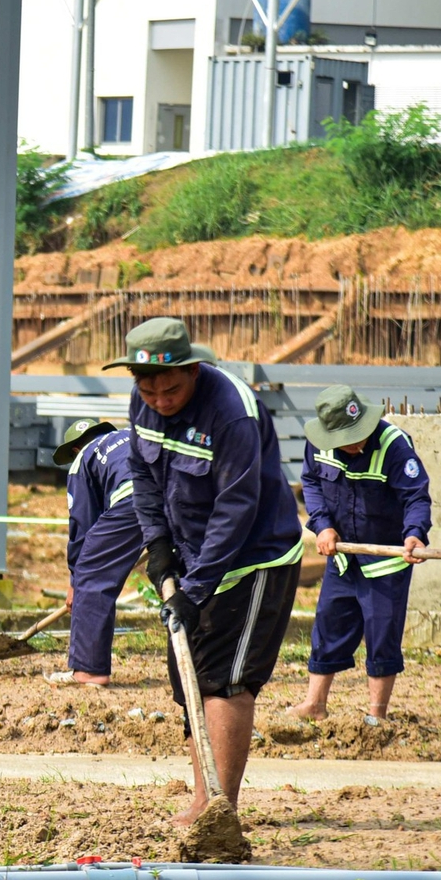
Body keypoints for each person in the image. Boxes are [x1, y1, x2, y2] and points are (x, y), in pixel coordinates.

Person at [110, 317, 303, 827]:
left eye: (171, 388)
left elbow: (235, 507)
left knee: (227, 680)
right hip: (194, 560)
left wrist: (194, 591)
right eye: (148, 388)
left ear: (193, 370)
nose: (160, 399)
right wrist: (158, 548)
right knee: (190, 678)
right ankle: (203, 799)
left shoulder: (232, 413)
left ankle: (221, 809)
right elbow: (143, 477)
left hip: (252, 559)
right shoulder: (144, 403)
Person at [289, 385, 432, 726]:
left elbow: (416, 496)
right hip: (343, 558)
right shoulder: (318, 445)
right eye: (347, 438)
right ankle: (315, 704)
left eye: (360, 435)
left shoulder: (395, 446)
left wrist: (415, 534)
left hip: (386, 561)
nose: (356, 443)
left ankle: (376, 716)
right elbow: (310, 483)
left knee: (382, 634)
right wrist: (322, 526)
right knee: (328, 627)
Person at [50, 417, 142, 687]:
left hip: (135, 496)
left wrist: (75, 583)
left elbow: (83, 526)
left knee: (92, 574)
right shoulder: (129, 436)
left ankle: (89, 670)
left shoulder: (84, 460)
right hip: (182, 490)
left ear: (75, 450)